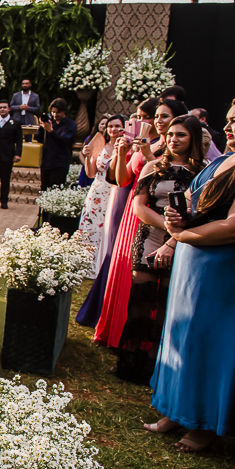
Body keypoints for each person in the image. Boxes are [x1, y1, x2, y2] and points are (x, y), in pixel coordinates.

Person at [146, 112, 235, 452]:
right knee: (180, 335)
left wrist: (184, 234)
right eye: (229, 120)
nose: (227, 126)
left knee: (207, 342)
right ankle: (176, 410)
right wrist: (175, 223)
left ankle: (203, 424)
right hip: (190, 263)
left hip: (222, 269)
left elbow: (234, 226)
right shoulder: (225, 161)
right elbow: (189, 202)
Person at [114, 113, 204, 384]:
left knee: (166, 304)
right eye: (171, 134)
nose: (174, 139)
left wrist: (178, 237)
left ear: (193, 139)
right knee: (139, 301)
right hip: (150, 237)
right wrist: (170, 229)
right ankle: (130, 363)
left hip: (183, 244)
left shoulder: (203, 171)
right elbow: (139, 206)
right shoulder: (152, 166)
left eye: (181, 135)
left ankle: (155, 366)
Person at [95, 99, 178, 348]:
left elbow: (168, 180)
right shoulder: (149, 143)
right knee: (122, 269)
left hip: (153, 214)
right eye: (155, 116)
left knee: (140, 278)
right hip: (133, 209)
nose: (155, 121)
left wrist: (149, 155)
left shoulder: (171, 147)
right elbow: (122, 180)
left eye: (163, 116)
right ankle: (114, 331)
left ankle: (133, 337)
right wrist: (121, 152)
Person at [77, 99, 161, 327]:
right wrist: (93, 156)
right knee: (96, 234)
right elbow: (103, 173)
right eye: (139, 115)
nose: (142, 120)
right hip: (109, 191)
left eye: (146, 116)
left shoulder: (152, 146)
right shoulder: (108, 143)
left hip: (125, 197)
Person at [78, 115, 126, 272]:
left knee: (108, 227)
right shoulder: (101, 145)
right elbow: (91, 173)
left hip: (115, 191)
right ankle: (87, 264)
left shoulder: (127, 148)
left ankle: (105, 264)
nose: (113, 129)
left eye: (117, 126)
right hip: (98, 191)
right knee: (92, 227)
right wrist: (88, 156)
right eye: (110, 126)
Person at [39, 98, 77, 190]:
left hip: (60, 163)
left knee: (55, 189)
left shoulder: (70, 125)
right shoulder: (51, 123)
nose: (55, 115)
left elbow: (63, 141)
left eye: (58, 112)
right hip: (46, 161)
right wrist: (42, 126)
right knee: (44, 190)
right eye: (53, 112)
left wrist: (51, 131)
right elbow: (39, 138)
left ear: (64, 111)